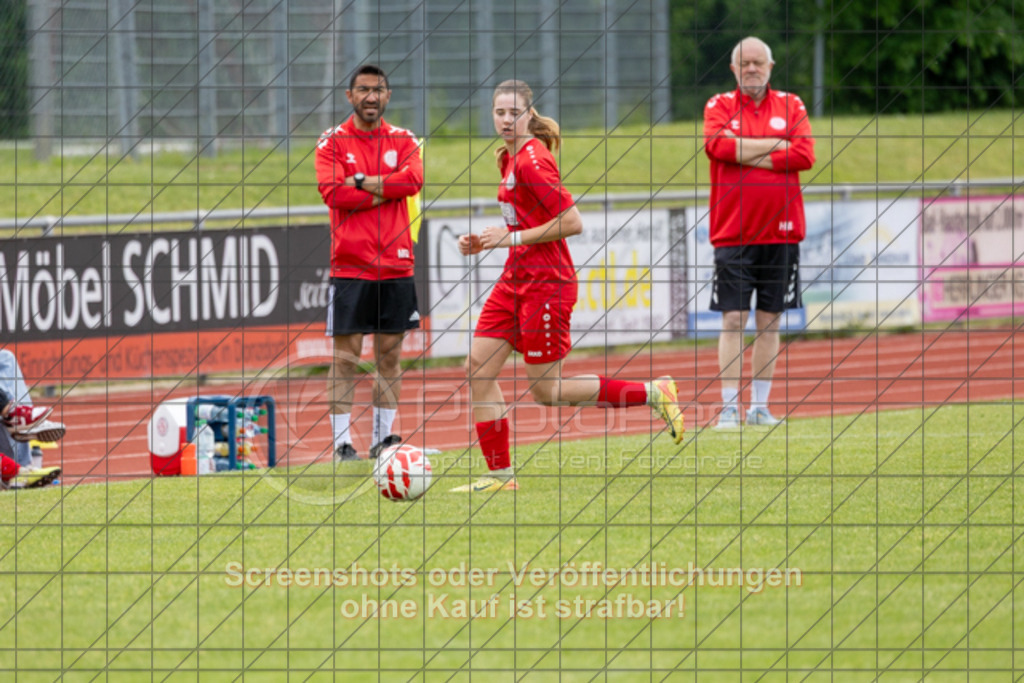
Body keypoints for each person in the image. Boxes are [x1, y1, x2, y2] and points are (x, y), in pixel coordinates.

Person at [454, 79, 685, 493]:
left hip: (547, 283)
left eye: (514, 113)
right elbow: (523, 221)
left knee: (547, 391)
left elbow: (573, 222)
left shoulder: (532, 161)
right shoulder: (508, 158)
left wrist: (511, 239)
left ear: (529, 114)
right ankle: (500, 477)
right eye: (499, 112)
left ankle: (652, 393)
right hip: (515, 278)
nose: (506, 120)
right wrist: (487, 242)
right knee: (477, 368)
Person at [703, 37, 816, 428]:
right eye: (744, 63)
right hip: (732, 233)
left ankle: (760, 407)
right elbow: (719, 148)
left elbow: (805, 155)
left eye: (758, 62)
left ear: (771, 66)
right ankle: (729, 408)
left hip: (782, 234)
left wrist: (745, 150)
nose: (751, 68)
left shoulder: (792, 104)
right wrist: (777, 146)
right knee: (733, 319)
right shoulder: (718, 105)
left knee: (770, 321)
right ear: (733, 69)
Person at [314, 64, 425, 461]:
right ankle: (341, 445)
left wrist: (359, 181)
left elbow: (412, 181)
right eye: (363, 90)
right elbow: (333, 193)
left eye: (378, 90)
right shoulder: (331, 141)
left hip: (396, 265)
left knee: (389, 358)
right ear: (350, 96)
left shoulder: (404, 139)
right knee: (345, 359)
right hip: (350, 266)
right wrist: (386, 188)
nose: (371, 97)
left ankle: (383, 440)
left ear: (388, 96)